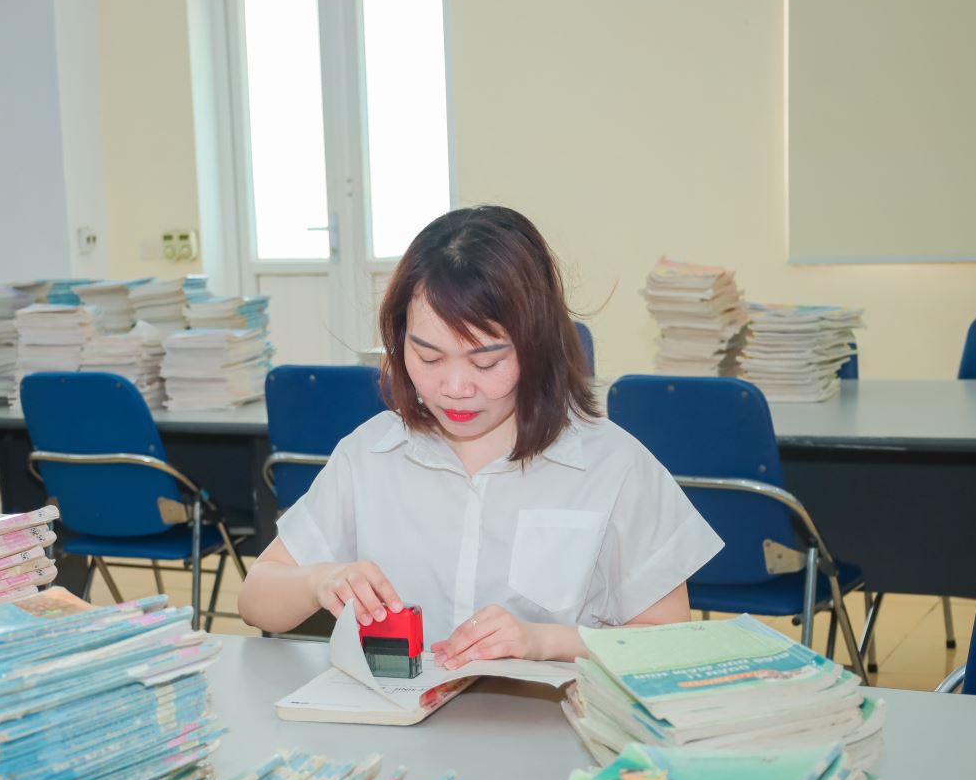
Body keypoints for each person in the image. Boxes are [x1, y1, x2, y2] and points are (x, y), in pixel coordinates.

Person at [237, 205, 722, 669]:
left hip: (549, 719)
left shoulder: (612, 464)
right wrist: (319, 581)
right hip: (401, 719)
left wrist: (543, 641)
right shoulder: (370, 454)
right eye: (428, 357)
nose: (455, 388)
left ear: (538, 346)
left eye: (486, 362)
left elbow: (669, 643)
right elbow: (257, 599)